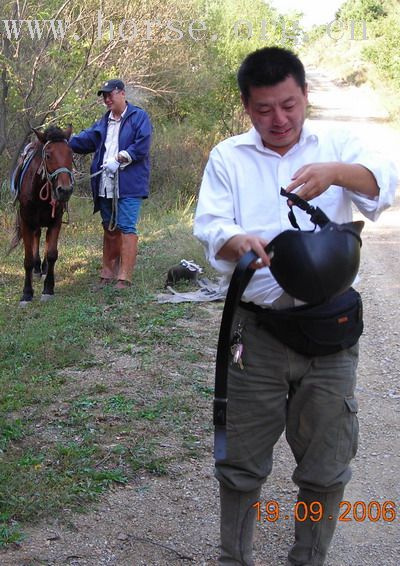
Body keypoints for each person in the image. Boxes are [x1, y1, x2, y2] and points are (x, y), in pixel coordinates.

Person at [193, 47, 397, 566]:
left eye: (288, 104)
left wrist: (335, 173)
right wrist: (235, 240)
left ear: (305, 95)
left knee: (325, 467)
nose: (278, 119)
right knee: (240, 465)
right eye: (264, 109)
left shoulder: (335, 144)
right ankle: (232, 557)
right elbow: (210, 227)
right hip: (256, 333)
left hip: (329, 333)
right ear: (246, 107)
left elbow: (382, 186)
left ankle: (308, 558)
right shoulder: (228, 157)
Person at [69, 79, 152, 289]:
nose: (107, 99)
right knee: (108, 227)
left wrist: (121, 157)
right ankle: (107, 273)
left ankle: (124, 278)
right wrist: (59, 140)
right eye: (104, 96)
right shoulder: (103, 123)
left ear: (122, 94)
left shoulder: (138, 117)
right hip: (105, 183)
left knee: (126, 227)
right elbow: (84, 140)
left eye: (110, 94)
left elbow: (142, 144)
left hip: (129, 184)